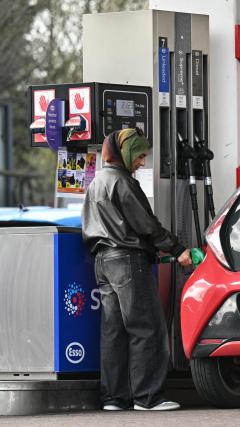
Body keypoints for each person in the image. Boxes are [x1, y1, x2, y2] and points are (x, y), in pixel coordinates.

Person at [82, 127, 192, 411]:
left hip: (102, 262)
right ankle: (148, 397)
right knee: (147, 327)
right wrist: (177, 249)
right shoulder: (122, 183)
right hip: (128, 261)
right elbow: (146, 225)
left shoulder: (96, 183)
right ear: (126, 151)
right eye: (140, 155)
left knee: (113, 331)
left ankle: (114, 398)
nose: (142, 162)